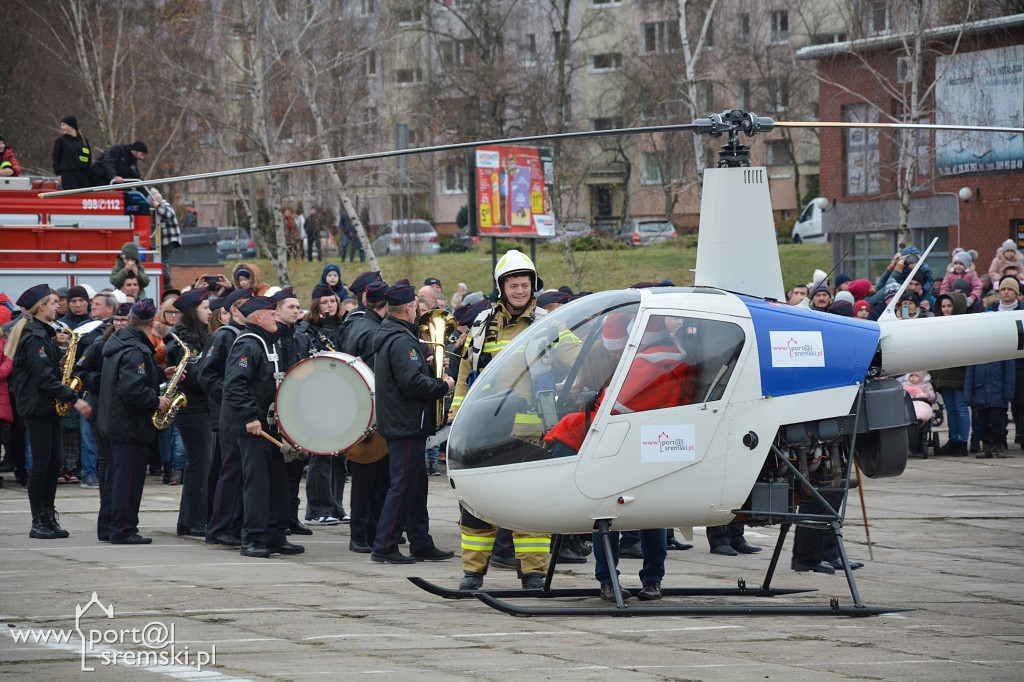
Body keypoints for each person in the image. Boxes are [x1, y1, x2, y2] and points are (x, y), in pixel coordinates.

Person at [451, 250, 578, 590]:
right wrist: (456, 419)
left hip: (531, 429)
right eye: (513, 285)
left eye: (524, 285)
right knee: (476, 502)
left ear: (533, 286)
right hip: (483, 429)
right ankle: (472, 573)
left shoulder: (549, 324)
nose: (519, 291)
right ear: (501, 287)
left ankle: (533, 573)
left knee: (530, 502)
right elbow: (466, 375)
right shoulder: (480, 327)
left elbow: (581, 356)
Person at [368, 281, 455, 564]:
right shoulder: (401, 339)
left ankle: (421, 542)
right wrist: (442, 384)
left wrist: (427, 366)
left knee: (416, 486)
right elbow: (411, 383)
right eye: (416, 304)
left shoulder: (395, 335)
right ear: (409, 307)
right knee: (403, 486)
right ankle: (385, 545)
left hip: (406, 423)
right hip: (406, 424)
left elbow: (406, 375)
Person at [6, 285, 92, 539]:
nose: (59, 306)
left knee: (53, 463)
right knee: (42, 464)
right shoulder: (34, 337)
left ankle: (48, 515)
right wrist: (74, 399)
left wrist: (61, 363)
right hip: (37, 407)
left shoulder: (45, 333)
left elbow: (46, 371)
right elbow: (43, 378)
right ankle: (38, 520)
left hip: (48, 406)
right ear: (41, 306)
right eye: (54, 302)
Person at [222, 296, 304, 558]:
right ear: (258, 317)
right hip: (253, 426)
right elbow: (235, 384)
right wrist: (249, 417)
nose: (276, 318)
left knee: (278, 482)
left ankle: (276, 536)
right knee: (256, 483)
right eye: (272, 315)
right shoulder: (247, 344)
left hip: (271, 425)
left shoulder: (270, 342)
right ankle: (252, 538)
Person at [98, 299, 168, 544]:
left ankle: (109, 527)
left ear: (129, 320)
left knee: (115, 479)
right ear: (153, 321)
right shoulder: (135, 349)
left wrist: (159, 373)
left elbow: (127, 377)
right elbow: (132, 389)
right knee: (128, 481)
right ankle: (124, 530)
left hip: (115, 422)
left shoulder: (120, 342)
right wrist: (156, 400)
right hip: (130, 425)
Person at [199, 288, 251, 547]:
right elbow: (206, 375)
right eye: (245, 306)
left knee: (240, 470)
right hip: (227, 414)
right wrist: (232, 395)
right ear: (232, 311)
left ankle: (234, 524)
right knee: (231, 470)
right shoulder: (223, 336)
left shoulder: (247, 336)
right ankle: (219, 527)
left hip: (241, 412)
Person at [341, 278, 390, 553]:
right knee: (368, 478)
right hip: (369, 413)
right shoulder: (370, 329)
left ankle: (368, 533)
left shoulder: (359, 323)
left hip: (361, 410)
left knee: (370, 478)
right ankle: (361, 535)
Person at [164, 290, 214, 537]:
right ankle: (195, 521)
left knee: (200, 464)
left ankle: (189, 521)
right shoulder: (181, 339)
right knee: (199, 464)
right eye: (205, 307)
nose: (209, 312)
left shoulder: (197, 336)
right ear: (193, 310)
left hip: (200, 407)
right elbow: (193, 375)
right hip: (192, 408)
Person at [272, 287, 314, 537]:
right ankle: (278, 519)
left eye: (298, 307)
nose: (297, 311)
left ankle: (291, 516)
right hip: (275, 409)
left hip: (297, 408)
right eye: (291, 307)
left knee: (296, 467)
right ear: (276, 310)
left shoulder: (302, 337)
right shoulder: (271, 336)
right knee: (277, 468)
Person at [149, 188, 181, 286]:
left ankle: (166, 280)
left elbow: (167, 214)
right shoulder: (161, 207)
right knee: (163, 258)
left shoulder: (165, 206)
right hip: (166, 239)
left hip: (170, 238)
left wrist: (157, 206)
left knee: (164, 259)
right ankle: (165, 278)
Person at [51, 116, 93, 190]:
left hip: (83, 174)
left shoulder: (84, 140)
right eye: (61, 125)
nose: (62, 127)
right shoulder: (61, 141)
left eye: (64, 125)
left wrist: (87, 170)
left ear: (71, 125)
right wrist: (58, 174)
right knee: (72, 195)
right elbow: (56, 158)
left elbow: (89, 158)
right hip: (68, 174)